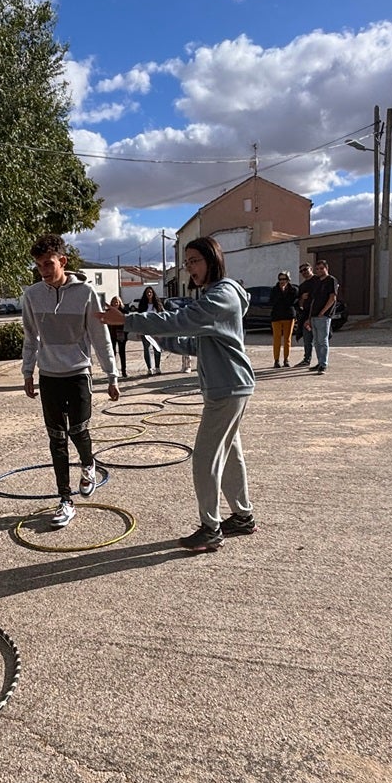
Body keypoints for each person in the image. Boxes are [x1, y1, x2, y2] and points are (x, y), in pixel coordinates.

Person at [99, 236, 257, 552]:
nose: (190, 269)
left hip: (227, 388)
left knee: (205, 459)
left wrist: (130, 319)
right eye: (186, 263)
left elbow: (182, 319)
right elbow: (196, 342)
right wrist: (156, 337)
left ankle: (211, 530)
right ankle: (242, 516)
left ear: (213, 259)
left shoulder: (221, 295)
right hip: (230, 385)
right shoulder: (218, 296)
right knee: (230, 455)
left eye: (195, 261)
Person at [22, 234, 121, 528]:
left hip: (78, 373)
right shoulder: (32, 295)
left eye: (48, 263)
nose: (44, 270)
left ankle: (88, 464)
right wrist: (28, 372)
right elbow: (30, 337)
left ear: (62, 261)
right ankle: (65, 500)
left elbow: (100, 338)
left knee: (78, 430)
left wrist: (112, 376)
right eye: (39, 265)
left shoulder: (85, 293)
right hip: (49, 375)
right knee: (56, 440)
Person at [302, 260, 339, 375]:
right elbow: (313, 301)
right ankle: (319, 362)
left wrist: (323, 312)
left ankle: (323, 364)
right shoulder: (317, 282)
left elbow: (332, 298)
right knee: (317, 342)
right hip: (313, 316)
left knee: (323, 341)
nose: (319, 270)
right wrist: (309, 318)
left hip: (323, 316)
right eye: (317, 269)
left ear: (326, 268)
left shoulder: (331, 280)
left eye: (321, 268)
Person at [269, 271, 298, 368]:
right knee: (276, 339)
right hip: (276, 316)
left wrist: (285, 292)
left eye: (284, 279)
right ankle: (276, 360)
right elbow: (272, 301)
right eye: (280, 279)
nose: (282, 281)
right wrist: (281, 292)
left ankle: (286, 359)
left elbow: (291, 302)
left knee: (287, 339)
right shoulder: (274, 290)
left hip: (288, 316)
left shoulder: (293, 290)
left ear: (288, 280)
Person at [136, 286, 164, 375]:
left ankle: (157, 367)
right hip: (145, 329)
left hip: (156, 330)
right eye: (147, 292)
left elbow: (163, 315)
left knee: (157, 348)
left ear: (153, 293)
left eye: (150, 292)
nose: (149, 294)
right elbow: (139, 318)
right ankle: (149, 368)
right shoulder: (142, 305)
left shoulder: (158, 304)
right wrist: (139, 330)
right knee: (146, 348)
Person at [105, 296, 129, 379]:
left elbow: (128, 323)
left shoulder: (123, 312)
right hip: (111, 334)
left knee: (122, 353)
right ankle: (113, 370)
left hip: (121, 334)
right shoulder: (108, 312)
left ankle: (124, 371)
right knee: (112, 353)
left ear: (120, 303)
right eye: (114, 302)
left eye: (117, 302)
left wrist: (126, 333)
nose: (115, 303)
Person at [294, 262, 314, 356]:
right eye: (301, 271)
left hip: (319, 315)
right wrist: (302, 298)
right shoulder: (302, 286)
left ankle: (321, 362)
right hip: (306, 316)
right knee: (307, 339)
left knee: (320, 341)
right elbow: (300, 304)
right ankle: (307, 358)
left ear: (311, 269)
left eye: (305, 269)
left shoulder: (318, 281)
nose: (303, 272)